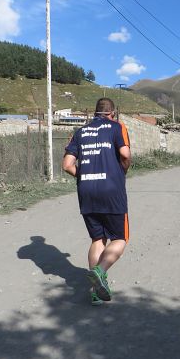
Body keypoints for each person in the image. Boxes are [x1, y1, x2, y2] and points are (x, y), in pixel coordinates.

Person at [62, 98, 132, 306]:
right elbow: (125, 154)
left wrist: (83, 177)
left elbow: (67, 165)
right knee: (119, 239)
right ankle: (100, 272)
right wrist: (123, 169)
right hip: (111, 191)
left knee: (97, 239)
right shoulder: (117, 127)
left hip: (86, 192)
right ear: (112, 113)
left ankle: (95, 292)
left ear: (95, 113)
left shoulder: (80, 132)